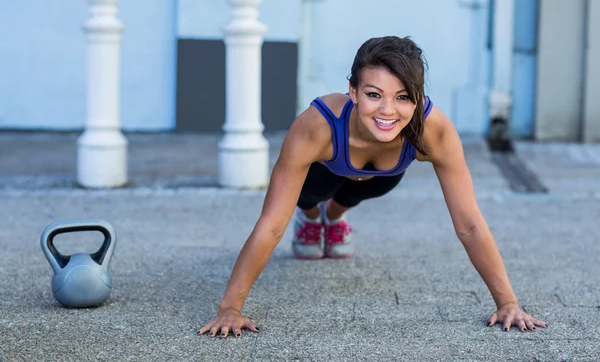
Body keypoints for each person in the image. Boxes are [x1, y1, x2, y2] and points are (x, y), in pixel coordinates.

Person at [198, 36, 547, 338]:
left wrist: (507, 303)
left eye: (403, 97)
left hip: (379, 175)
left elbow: (469, 224)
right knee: (310, 196)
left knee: (365, 189)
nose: (387, 110)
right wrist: (230, 307)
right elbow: (272, 224)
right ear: (353, 91)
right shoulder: (316, 126)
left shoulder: (433, 131)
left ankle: (334, 219)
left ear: (417, 97)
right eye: (374, 94)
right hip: (322, 172)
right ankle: (310, 219)